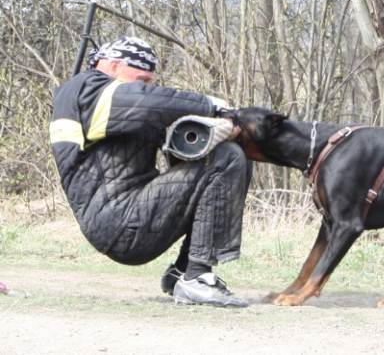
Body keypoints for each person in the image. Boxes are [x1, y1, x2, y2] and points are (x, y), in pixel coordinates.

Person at [49, 36, 252, 308]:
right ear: (113, 67)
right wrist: (213, 106)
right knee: (227, 158)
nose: (147, 85)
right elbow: (145, 102)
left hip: (132, 210)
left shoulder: (107, 100)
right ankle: (196, 278)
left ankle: (183, 272)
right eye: (142, 79)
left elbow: (150, 110)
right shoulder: (86, 89)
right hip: (118, 219)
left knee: (229, 156)